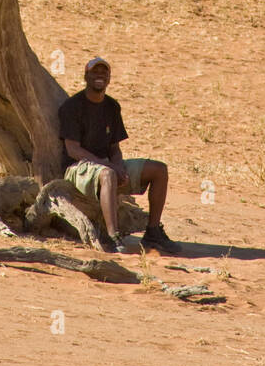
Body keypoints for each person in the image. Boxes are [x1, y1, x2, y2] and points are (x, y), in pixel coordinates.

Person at [57, 57, 180, 255]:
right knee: (107, 174)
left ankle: (153, 232)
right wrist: (111, 168)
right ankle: (114, 236)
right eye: (95, 72)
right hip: (77, 167)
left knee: (159, 169)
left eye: (103, 72)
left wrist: (119, 165)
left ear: (109, 78)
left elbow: (114, 147)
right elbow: (73, 149)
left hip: (106, 165)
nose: (99, 75)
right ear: (86, 76)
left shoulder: (112, 107)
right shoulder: (72, 106)